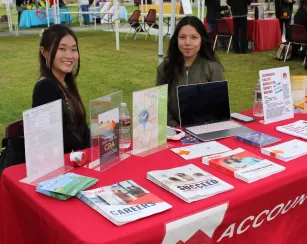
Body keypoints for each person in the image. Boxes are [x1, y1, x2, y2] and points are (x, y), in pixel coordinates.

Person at [156, 16, 224, 127]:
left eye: (194, 37)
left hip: (205, 130)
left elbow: (218, 106)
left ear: (202, 40)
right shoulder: (164, 68)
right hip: (173, 132)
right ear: (176, 39)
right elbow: (160, 104)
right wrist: (175, 127)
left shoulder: (213, 68)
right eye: (182, 37)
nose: (187, 43)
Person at [32, 25, 90, 154]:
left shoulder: (65, 84)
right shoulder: (45, 88)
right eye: (62, 49)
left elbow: (81, 127)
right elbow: (55, 136)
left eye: (74, 50)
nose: (69, 55)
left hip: (77, 159)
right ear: (44, 52)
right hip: (62, 166)